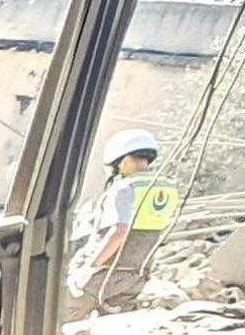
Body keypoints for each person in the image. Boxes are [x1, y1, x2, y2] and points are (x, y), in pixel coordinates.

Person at [75, 127, 179, 312]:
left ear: (121, 161)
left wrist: (90, 267)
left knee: (52, 314)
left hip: (103, 276)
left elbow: (120, 231)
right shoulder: (165, 189)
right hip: (136, 278)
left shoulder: (124, 188)